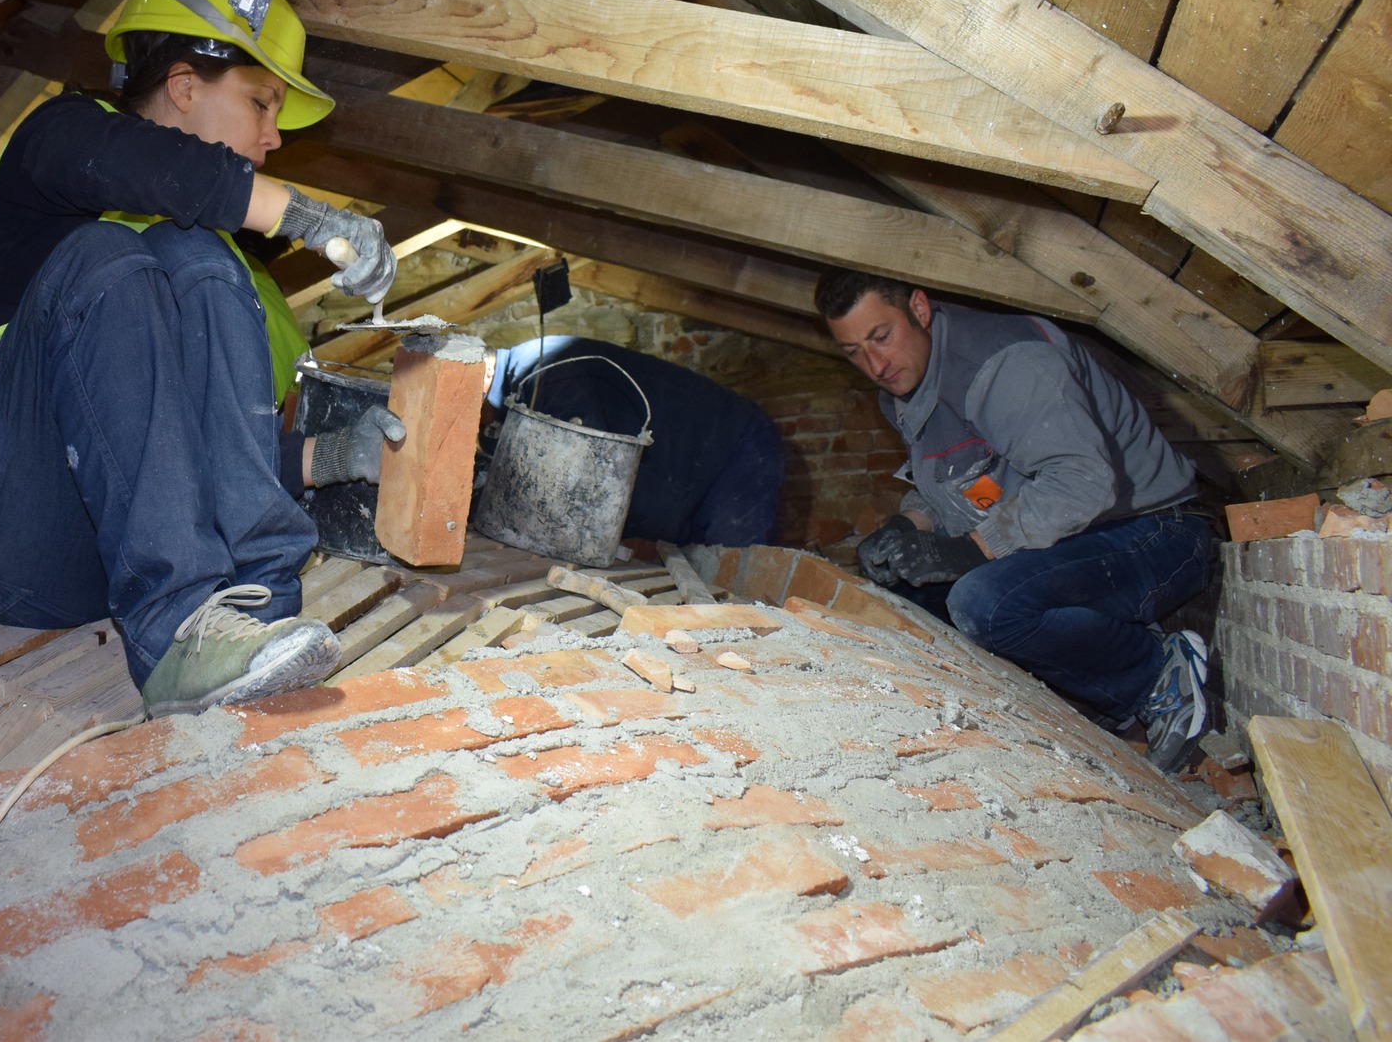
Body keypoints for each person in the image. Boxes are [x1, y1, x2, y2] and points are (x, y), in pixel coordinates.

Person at [0, 0, 402, 717]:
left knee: (199, 255)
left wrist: (332, 456)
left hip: (104, 564)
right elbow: (127, 162)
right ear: (182, 87)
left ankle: (257, 605)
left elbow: (156, 447)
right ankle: (178, 630)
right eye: (261, 103)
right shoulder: (56, 149)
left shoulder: (207, 269)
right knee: (113, 254)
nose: (273, 137)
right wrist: (305, 217)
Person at [815, 268, 1214, 769]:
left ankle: (1154, 674)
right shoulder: (904, 390)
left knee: (983, 602)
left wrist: (972, 550)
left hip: (1154, 531)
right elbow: (959, 488)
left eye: (881, 336)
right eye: (854, 352)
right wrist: (905, 529)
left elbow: (1082, 485)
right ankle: (1058, 697)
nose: (875, 364)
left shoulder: (1005, 362)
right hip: (1066, 544)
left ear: (918, 309)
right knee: (908, 591)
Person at [482, 335, 782, 547]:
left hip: (734, 449)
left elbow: (582, 478)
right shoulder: (518, 383)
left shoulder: (543, 373)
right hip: (685, 472)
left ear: (481, 376)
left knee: (732, 583)